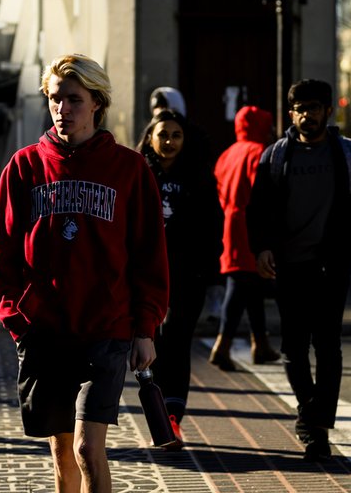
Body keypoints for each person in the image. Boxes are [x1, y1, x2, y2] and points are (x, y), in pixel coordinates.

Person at [0, 53, 169, 493]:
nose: (62, 109)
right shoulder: (24, 167)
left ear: (97, 103)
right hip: (45, 332)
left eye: (73, 99)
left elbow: (149, 256)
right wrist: (18, 321)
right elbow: (1, 254)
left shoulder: (129, 169)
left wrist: (145, 327)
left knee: (89, 449)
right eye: (54, 99)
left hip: (106, 328)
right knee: (61, 452)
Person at [246, 79, 351, 461]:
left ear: (329, 111)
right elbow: (257, 209)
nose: (305, 115)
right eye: (299, 109)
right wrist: (260, 248)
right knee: (293, 349)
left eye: (313, 108)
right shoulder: (275, 157)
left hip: (333, 265)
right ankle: (311, 414)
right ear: (290, 113)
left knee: (328, 346)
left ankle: (315, 425)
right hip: (289, 265)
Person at [136, 108, 222, 447]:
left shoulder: (198, 176)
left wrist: (209, 269)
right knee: (152, 343)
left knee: (177, 340)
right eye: (163, 135)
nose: (169, 141)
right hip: (146, 275)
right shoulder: (138, 173)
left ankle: (172, 416)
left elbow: (214, 226)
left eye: (176, 135)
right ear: (150, 138)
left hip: (188, 275)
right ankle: (159, 412)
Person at [209, 105, 281, 371]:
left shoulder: (228, 153)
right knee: (241, 286)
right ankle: (223, 344)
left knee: (249, 285)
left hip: (231, 222)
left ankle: (259, 344)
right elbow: (265, 194)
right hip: (252, 225)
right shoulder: (260, 152)